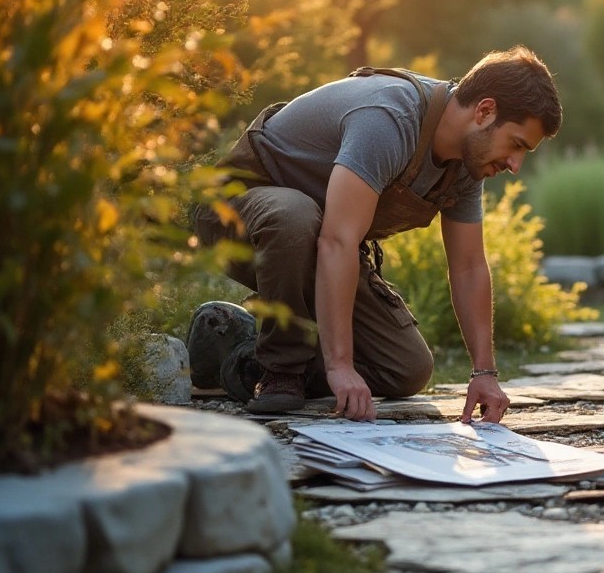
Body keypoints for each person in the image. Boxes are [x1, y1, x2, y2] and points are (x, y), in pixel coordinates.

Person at [191, 46, 561, 423]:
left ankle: (241, 349)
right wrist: (340, 366)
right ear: (484, 111)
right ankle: (281, 370)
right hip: (233, 216)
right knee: (295, 215)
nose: (516, 165)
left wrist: (484, 372)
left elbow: (468, 267)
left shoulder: (467, 163)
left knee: (406, 368)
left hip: (321, 241)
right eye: (516, 144)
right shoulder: (390, 118)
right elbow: (338, 241)